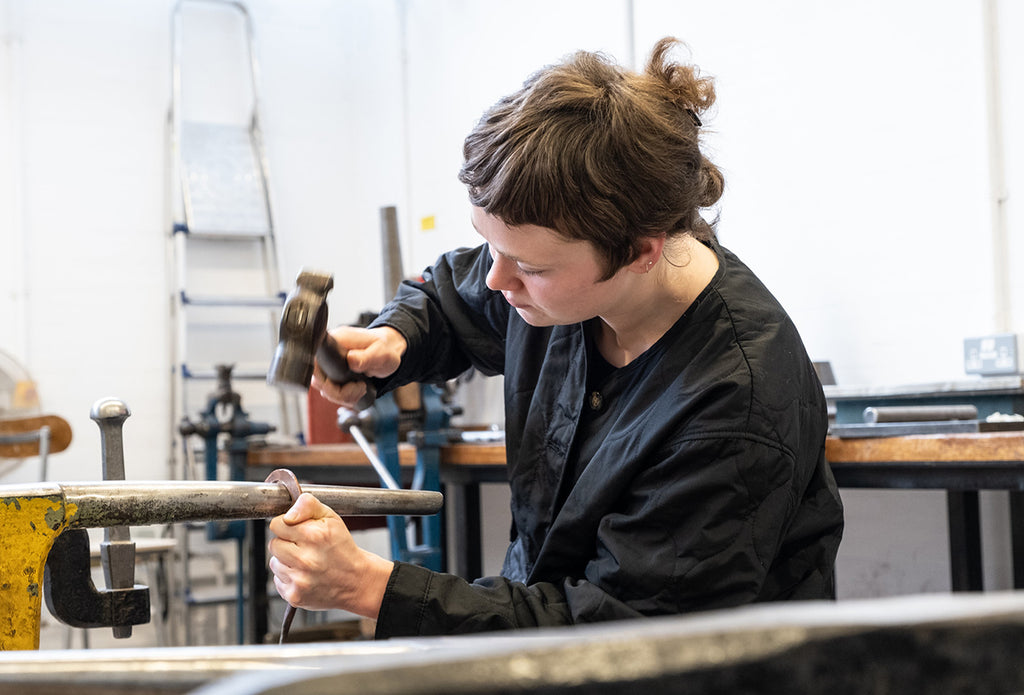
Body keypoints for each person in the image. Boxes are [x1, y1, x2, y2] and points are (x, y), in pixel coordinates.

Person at [268, 36, 844, 639]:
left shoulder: (734, 402)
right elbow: (452, 295)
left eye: (531, 267)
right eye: (492, 245)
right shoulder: (560, 284)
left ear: (642, 251)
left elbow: (619, 632)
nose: (497, 277)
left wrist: (372, 587)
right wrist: (396, 340)